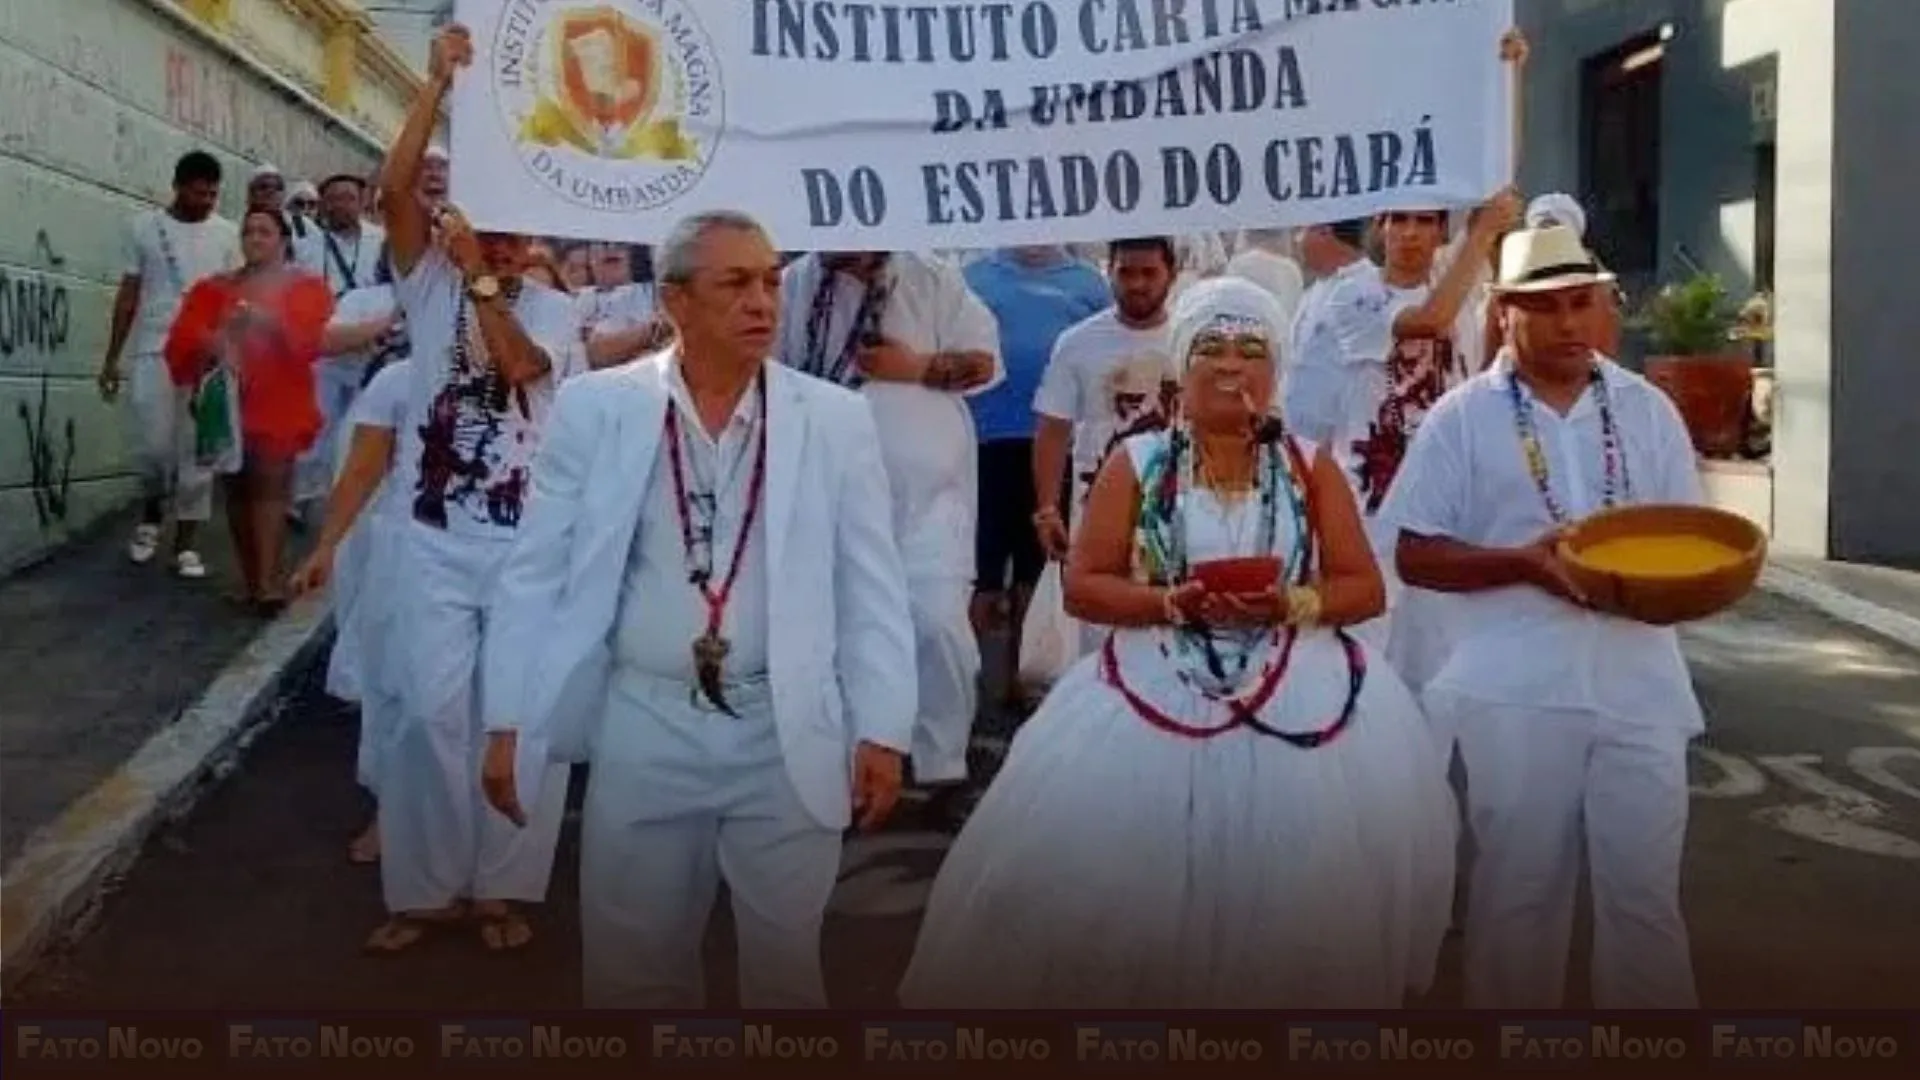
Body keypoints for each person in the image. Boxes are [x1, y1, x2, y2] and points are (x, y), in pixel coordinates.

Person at [899, 278, 1455, 1008]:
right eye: (1211, 348)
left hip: (1299, 683)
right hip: (1152, 680)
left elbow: (1364, 587)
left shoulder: (1309, 465)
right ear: (1180, 366)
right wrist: (1168, 602)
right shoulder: (1140, 462)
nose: (1231, 366)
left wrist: (1291, 601)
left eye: (1251, 349)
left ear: (1275, 368)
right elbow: (1085, 584)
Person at [477, 209, 917, 1008]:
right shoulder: (595, 407)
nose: (762, 302)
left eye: (771, 282)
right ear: (676, 301)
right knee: (633, 967)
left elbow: (871, 584)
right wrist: (509, 716)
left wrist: (882, 727)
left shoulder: (835, 418)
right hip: (644, 722)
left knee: (787, 972)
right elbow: (535, 572)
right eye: (735, 283)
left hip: (785, 728)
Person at [1384, 223, 1704, 1009]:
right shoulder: (1461, 417)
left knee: (1645, 897)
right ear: (1503, 314)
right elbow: (1416, 554)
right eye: (1547, 307)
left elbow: (1689, 542)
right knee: (1519, 894)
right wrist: (1522, 562)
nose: (1569, 324)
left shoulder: (1646, 409)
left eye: (1582, 304)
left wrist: (1663, 585)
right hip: (1516, 689)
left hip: (1640, 684)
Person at [362, 22, 584, 955]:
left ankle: (502, 888)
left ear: (528, 234)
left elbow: (525, 366)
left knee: (515, 717)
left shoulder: (554, 309)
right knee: (425, 710)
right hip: (432, 535)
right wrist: (434, 83)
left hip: (526, 543)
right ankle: (426, 890)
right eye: (478, 217)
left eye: (509, 223)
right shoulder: (424, 285)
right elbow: (392, 186)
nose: (489, 231)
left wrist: (486, 283)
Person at [776, 249, 999, 827]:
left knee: (937, 627)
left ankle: (942, 766)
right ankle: (854, 766)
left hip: (929, 503)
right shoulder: (792, 284)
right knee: (841, 632)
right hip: (828, 494)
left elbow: (982, 362)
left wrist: (917, 368)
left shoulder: (931, 276)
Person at [164, 209, 335, 610]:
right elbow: (184, 335)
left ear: (282, 240)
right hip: (227, 402)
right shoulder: (215, 287)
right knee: (237, 491)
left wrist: (267, 322)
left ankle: (268, 583)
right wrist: (216, 340)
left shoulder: (305, 286)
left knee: (271, 491)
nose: (254, 238)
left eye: (265, 231)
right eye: (248, 231)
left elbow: (311, 340)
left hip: (279, 401)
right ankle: (250, 579)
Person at [961, 246, 1109, 707]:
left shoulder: (1088, 283)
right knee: (979, 570)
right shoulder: (971, 275)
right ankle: (972, 680)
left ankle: (1024, 678)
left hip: (1053, 445)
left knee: (1036, 562)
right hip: (983, 440)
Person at [290, 358, 417, 865]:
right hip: (411, 556)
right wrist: (327, 548)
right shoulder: (398, 381)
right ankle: (394, 813)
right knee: (402, 690)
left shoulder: (546, 379)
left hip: (509, 565)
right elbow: (362, 470)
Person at [97, 151, 241, 579]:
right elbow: (129, 294)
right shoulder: (143, 228)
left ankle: (186, 546)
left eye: (214, 193)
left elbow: (235, 299)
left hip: (206, 357)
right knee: (153, 446)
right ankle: (152, 515)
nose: (209, 200)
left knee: (200, 450)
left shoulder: (227, 234)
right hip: (154, 351)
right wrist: (110, 359)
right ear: (178, 186)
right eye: (200, 192)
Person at [1031, 237, 1178, 653]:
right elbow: (1053, 427)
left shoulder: (1192, 338)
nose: (1137, 284)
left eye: (1148, 273)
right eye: (1126, 273)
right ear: (1108, 272)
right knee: (1102, 641)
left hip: (1180, 511)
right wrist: (1047, 509)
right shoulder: (1077, 343)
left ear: (1172, 273)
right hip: (1098, 513)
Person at [295, 174, 389, 508]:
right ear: (323, 204)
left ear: (362, 201)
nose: (341, 205)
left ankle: (346, 497)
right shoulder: (307, 248)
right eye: (333, 198)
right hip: (325, 349)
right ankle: (305, 497)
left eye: (348, 197)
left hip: (371, 348)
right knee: (316, 426)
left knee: (356, 428)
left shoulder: (382, 240)